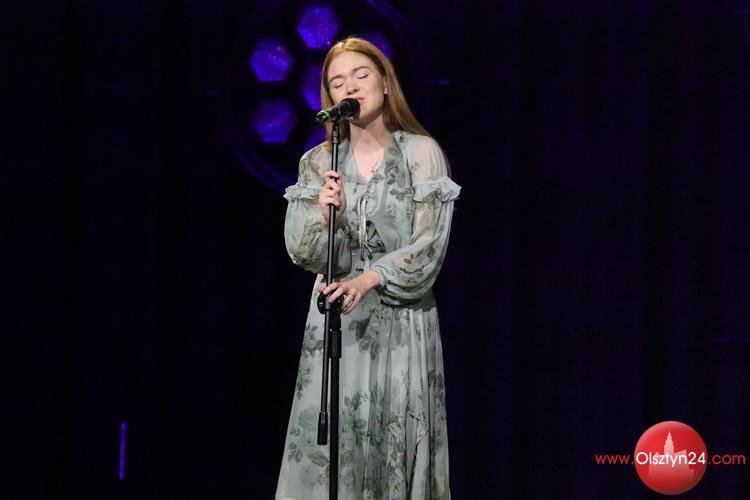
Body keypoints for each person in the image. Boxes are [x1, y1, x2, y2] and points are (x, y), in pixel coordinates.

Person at [276, 36, 460, 500]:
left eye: (361, 75)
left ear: (385, 82)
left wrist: (370, 278)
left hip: (401, 322)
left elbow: (429, 246)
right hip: (337, 322)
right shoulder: (319, 163)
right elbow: (305, 252)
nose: (350, 87)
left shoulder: (420, 153)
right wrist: (327, 217)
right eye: (337, 82)